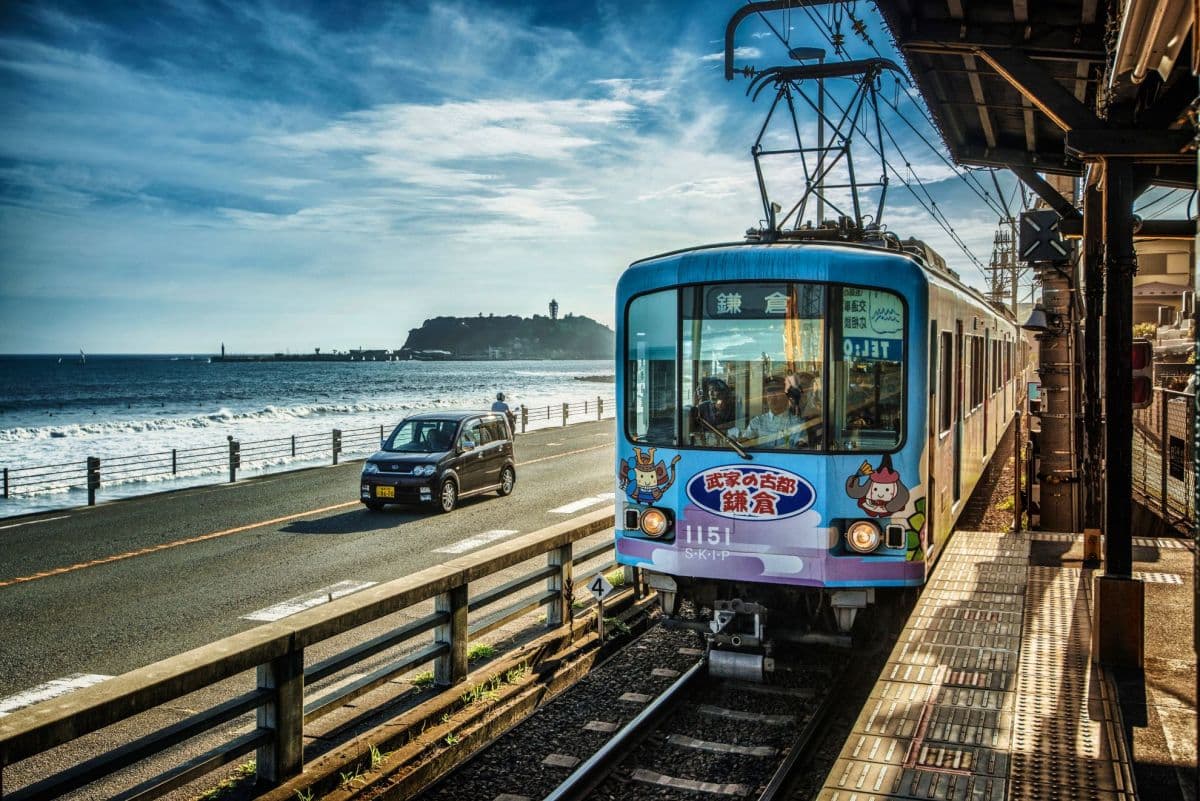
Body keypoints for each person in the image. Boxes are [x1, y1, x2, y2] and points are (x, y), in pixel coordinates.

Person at [734, 378, 808, 448]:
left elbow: (801, 449)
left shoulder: (797, 423)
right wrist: (739, 441)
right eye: (770, 393)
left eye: (777, 392)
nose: (773, 397)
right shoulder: (757, 422)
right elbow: (745, 443)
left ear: (787, 396)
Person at [693, 378, 735, 443]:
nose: (711, 393)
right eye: (709, 390)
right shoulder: (703, 407)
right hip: (708, 441)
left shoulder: (731, 408)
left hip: (727, 441)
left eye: (714, 390)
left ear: (723, 393)